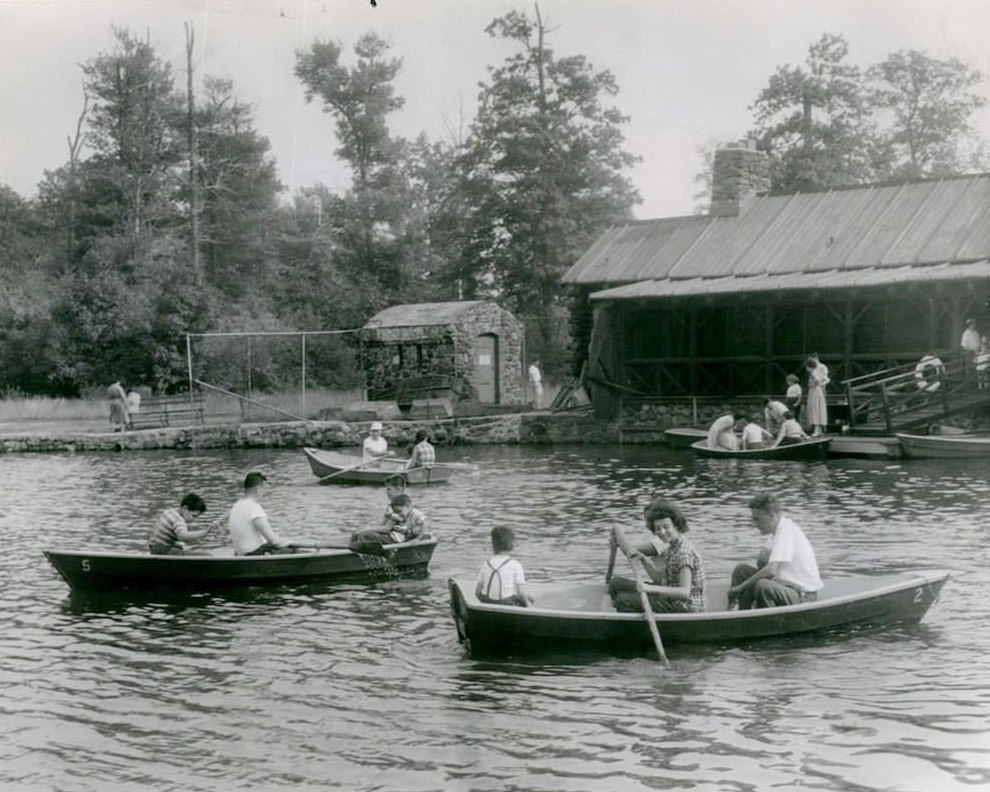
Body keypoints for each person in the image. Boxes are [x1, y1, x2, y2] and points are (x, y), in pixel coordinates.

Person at [608, 498, 706, 613]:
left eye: (666, 527)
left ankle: (632, 624)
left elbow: (684, 592)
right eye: (658, 529)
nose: (662, 532)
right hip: (670, 599)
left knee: (623, 600)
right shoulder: (671, 546)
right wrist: (644, 560)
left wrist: (650, 588)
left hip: (684, 607)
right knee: (616, 584)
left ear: (676, 526)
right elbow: (661, 580)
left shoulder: (684, 553)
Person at [728, 493, 822, 610]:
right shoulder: (774, 533)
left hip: (803, 595)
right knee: (741, 570)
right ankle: (741, 614)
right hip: (785, 586)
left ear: (772, 515)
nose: (754, 524)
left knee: (762, 585)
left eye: (757, 519)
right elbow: (762, 565)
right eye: (753, 519)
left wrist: (739, 588)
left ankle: (762, 621)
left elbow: (770, 571)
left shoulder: (786, 531)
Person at [227, 471, 293, 555]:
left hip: (242, 555)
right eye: (264, 488)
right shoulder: (254, 508)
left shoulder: (236, 506)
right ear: (258, 488)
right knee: (296, 551)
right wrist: (289, 542)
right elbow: (274, 541)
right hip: (255, 555)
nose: (265, 492)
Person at [476, 525, 534, 607]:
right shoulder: (515, 565)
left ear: (493, 544)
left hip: (487, 602)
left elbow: (477, 593)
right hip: (506, 604)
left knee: (525, 597)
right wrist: (529, 606)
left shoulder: (486, 564)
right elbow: (520, 593)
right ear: (511, 544)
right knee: (528, 600)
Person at [350, 492, 428, 549]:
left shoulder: (416, 513)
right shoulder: (400, 514)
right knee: (360, 533)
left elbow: (424, 524)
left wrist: (417, 539)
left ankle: (363, 550)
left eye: (399, 511)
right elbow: (386, 525)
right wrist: (388, 516)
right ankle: (358, 547)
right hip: (392, 537)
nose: (398, 514)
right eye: (396, 512)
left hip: (395, 541)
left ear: (408, 506)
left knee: (365, 534)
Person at [148, 493, 218, 555]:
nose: (194, 519)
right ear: (185, 508)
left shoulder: (170, 511)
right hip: (163, 550)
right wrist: (206, 532)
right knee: (205, 555)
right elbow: (183, 536)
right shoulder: (178, 520)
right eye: (193, 516)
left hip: (154, 548)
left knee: (192, 548)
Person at [804, 354, 830, 437]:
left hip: (814, 390)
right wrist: (821, 384)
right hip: (818, 390)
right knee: (818, 408)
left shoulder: (813, 372)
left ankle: (817, 430)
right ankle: (818, 429)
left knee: (815, 409)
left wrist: (814, 384)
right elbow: (827, 379)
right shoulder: (816, 371)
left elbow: (818, 379)